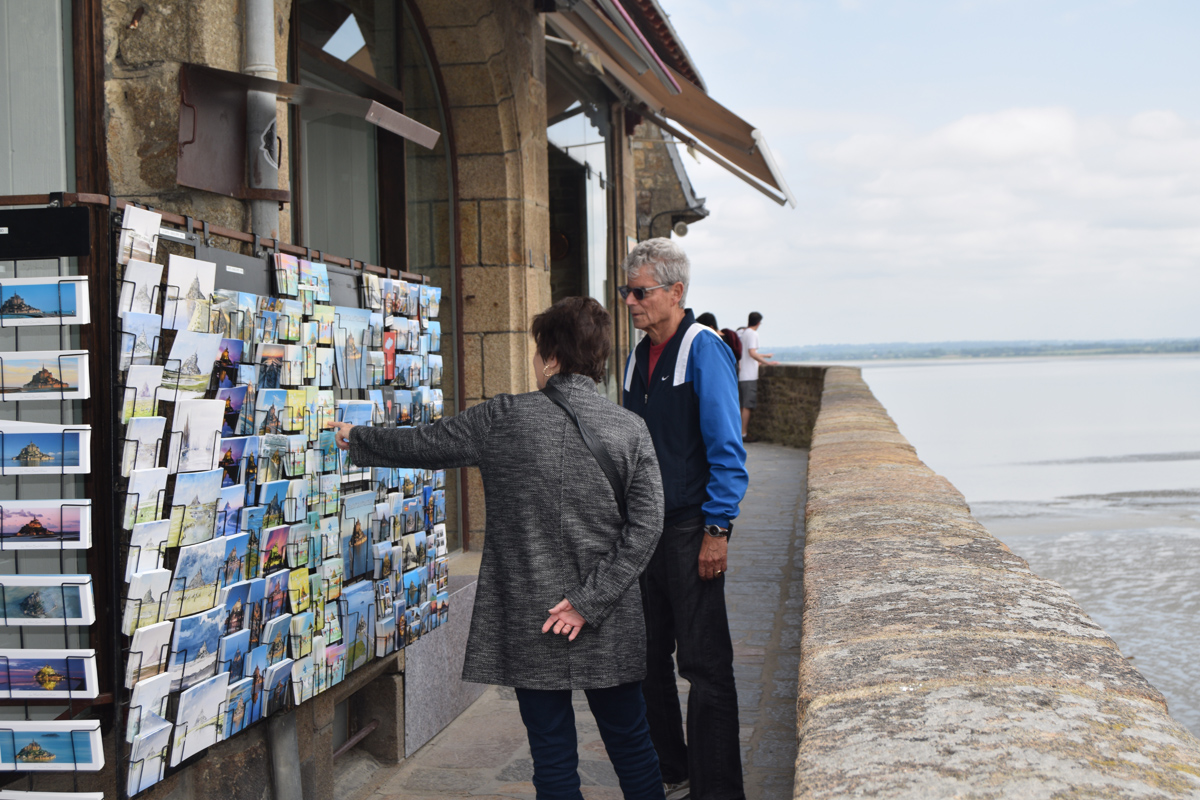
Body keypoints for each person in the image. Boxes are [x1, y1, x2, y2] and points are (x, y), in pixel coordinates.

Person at [328, 296, 667, 800]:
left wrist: (356, 436)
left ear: (551, 357)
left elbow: (423, 444)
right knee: (632, 746)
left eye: (537, 351)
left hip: (533, 614)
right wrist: (588, 602)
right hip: (608, 616)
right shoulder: (630, 429)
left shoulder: (502, 417)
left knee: (552, 754)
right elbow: (647, 527)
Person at [619, 238, 749, 800]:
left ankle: (717, 790)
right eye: (627, 291)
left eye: (640, 291)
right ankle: (672, 769)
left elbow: (727, 447)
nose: (630, 301)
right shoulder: (636, 355)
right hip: (641, 535)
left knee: (704, 666)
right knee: (644, 661)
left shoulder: (703, 349)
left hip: (691, 528)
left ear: (676, 291)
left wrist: (717, 530)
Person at [737, 312, 777, 440]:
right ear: (759, 323)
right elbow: (752, 353)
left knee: (741, 405)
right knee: (747, 406)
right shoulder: (753, 334)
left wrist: (761, 359)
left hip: (741, 374)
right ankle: (743, 434)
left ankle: (738, 433)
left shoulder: (743, 333)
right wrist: (768, 363)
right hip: (749, 375)